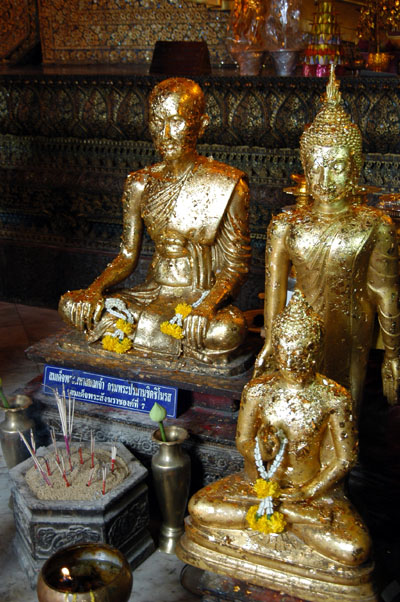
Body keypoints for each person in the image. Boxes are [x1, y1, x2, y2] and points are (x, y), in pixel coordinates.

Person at [59, 78, 251, 365]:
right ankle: (159, 336)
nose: (165, 134)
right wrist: (93, 290)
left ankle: (142, 335)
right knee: (71, 305)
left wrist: (207, 306)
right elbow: (126, 256)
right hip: (151, 294)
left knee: (226, 331)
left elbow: (235, 267)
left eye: (176, 121)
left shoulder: (226, 185)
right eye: (157, 121)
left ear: (202, 124)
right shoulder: (140, 184)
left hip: (197, 295)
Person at [188, 290, 371, 567]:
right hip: (258, 486)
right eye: (286, 351)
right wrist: (259, 450)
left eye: (303, 351)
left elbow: (345, 459)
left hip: (314, 494)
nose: (294, 360)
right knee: (200, 508)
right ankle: (291, 519)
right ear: (276, 348)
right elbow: (243, 442)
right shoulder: (259, 390)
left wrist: (307, 493)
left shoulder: (334, 397)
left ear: (316, 350)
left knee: (353, 548)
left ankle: (288, 516)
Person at [254, 66, 400, 408]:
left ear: (354, 168)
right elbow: (274, 292)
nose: (325, 177)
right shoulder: (285, 225)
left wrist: (394, 355)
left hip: (353, 329)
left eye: (336, 166)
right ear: (305, 167)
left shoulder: (374, 225)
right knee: (299, 407)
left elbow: (387, 292)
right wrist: (270, 344)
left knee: (345, 403)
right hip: (299, 335)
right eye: (316, 166)